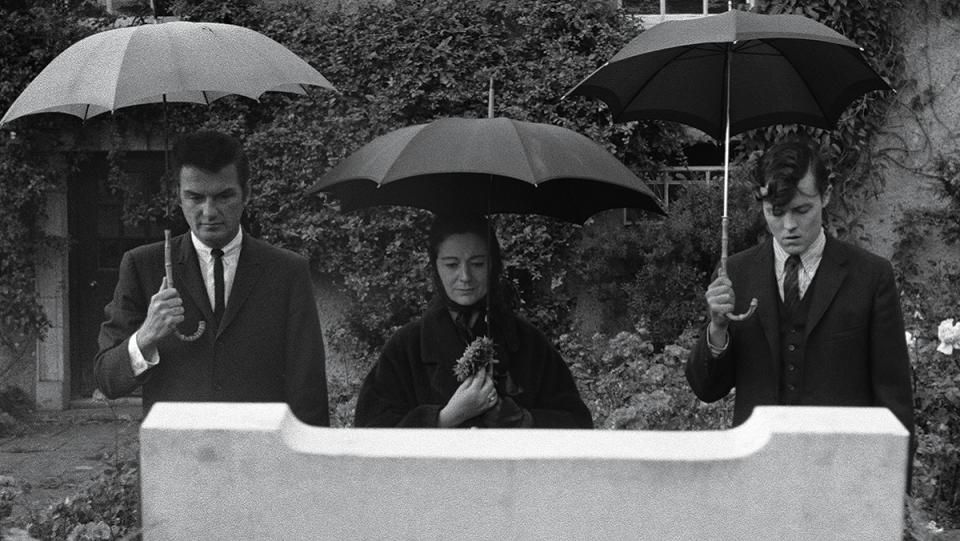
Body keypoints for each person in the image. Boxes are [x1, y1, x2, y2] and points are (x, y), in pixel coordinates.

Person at [686, 136, 915, 464]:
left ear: (827, 195)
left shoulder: (870, 277)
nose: (789, 226)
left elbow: (895, 400)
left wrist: (893, 495)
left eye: (802, 210)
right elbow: (707, 389)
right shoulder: (734, 273)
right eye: (775, 212)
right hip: (759, 477)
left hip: (841, 474)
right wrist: (717, 329)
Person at [94, 131, 329, 426]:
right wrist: (145, 336)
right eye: (195, 197)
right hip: (178, 459)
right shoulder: (142, 266)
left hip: (262, 458)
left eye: (224, 196)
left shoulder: (287, 271)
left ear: (247, 193)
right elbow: (107, 379)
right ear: (178, 196)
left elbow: (308, 387)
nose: (209, 212)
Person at [354, 214, 593, 428]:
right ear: (435, 267)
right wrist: (444, 418)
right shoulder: (406, 347)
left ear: (494, 265)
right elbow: (371, 433)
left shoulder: (528, 342)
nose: (465, 277)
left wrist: (524, 420)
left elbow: (577, 424)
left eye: (477, 263)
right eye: (451, 264)